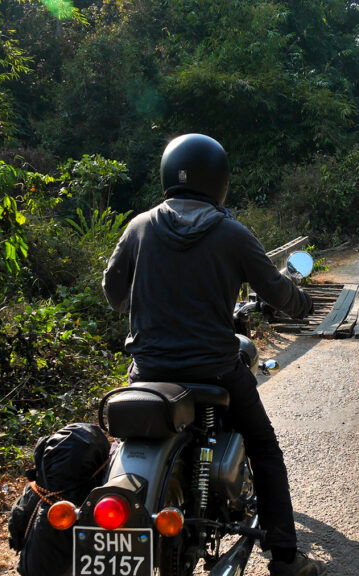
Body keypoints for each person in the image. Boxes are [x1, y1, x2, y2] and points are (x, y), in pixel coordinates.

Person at [102, 133, 328, 576]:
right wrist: (303, 303)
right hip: (216, 371)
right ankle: (284, 558)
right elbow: (277, 290)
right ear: (219, 181)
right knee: (264, 447)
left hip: (148, 372)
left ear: (169, 175)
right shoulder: (232, 233)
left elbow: (113, 293)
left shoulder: (139, 226)